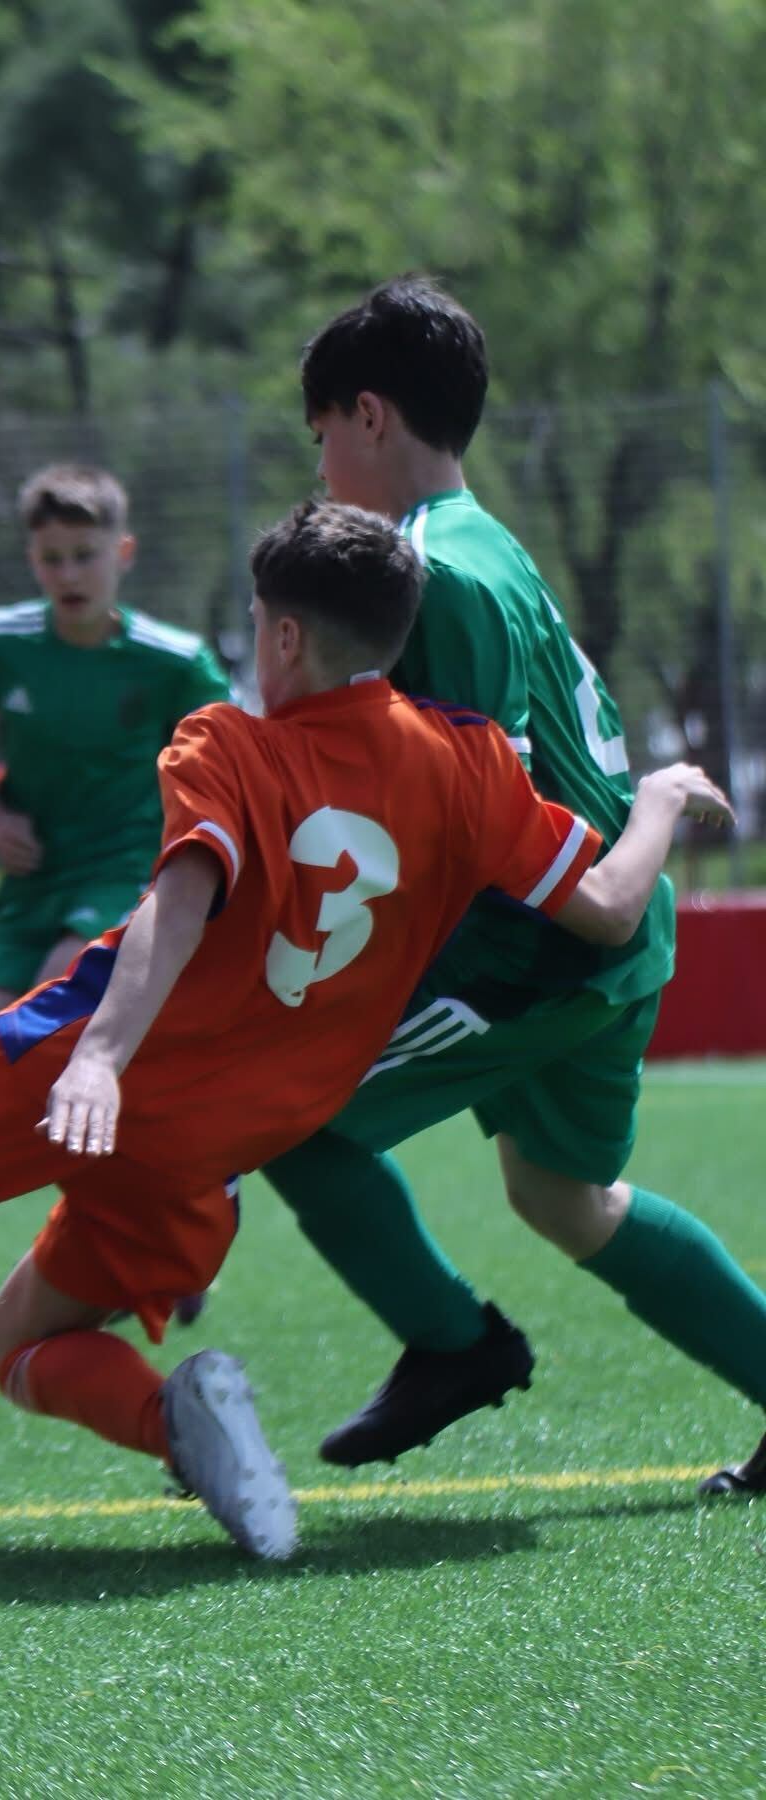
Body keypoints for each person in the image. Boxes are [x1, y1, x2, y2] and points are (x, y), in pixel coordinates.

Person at [0, 499, 731, 1561]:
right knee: (22, 1343)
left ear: (282, 636)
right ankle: (180, 1429)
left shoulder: (228, 743)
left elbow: (178, 907)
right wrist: (657, 802)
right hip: (228, 1137)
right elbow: (605, 906)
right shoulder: (470, 765)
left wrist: (98, 1055)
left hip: (103, 1054)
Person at [258, 275, 766, 1500]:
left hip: (544, 950)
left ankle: (456, 1345)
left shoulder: (441, 573)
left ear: (369, 415)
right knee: (562, 1194)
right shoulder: (479, 542)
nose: (321, 465)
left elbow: (480, 805)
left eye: (322, 434)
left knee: (289, 1118)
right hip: (612, 936)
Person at [0, 463, 233, 1014]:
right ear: (31, 560)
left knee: (47, 1005)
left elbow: (227, 764)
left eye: (85, 555)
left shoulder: (176, 662)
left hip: (124, 871)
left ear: (124, 552)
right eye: (52, 559)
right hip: (30, 879)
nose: (68, 575)